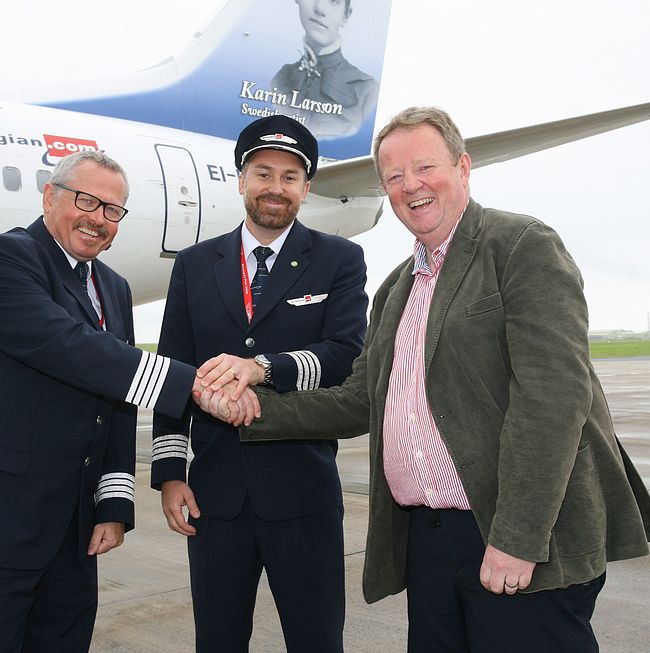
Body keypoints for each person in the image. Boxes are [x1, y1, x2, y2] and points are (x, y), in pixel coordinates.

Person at [200, 107, 650, 652]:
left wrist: (517, 538)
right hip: (430, 541)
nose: (410, 186)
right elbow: (357, 401)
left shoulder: (520, 245)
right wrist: (252, 408)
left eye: (424, 167)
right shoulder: (397, 288)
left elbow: (553, 402)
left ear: (463, 167)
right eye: (394, 177)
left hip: (516, 533)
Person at [0, 151, 247, 653]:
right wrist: (196, 387)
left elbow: (114, 404)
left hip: (72, 538)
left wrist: (113, 505)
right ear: (50, 197)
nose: (98, 218)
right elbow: (68, 347)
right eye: (86, 201)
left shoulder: (113, 288)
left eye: (112, 209)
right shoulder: (3, 258)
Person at [152, 114, 368, 652]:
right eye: (264, 174)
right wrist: (170, 473)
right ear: (241, 179)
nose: (276, 188)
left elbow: (345, 357)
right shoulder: (196, 264)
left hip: (303, 494)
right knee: (218, 640)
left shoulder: (340, 259)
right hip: (214, 496)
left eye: (290, 177)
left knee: (316, 639)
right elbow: (172, 372)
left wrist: (264, 367)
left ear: (306, 187)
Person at [270, 0, 379, 139]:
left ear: (346, 15)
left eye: (334, 1)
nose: (320, 8)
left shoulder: (367, 91)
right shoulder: (281, 78)